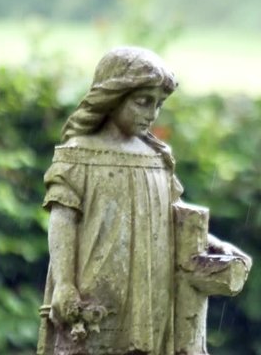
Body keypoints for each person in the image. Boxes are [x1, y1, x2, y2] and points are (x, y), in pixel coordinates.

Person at [37, 47, 183, 355]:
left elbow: (177, 221)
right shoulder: (79, 154)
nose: (152, 113)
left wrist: (206, 246)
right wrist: (64, 283)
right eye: (142, 101)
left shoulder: (158, 158)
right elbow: (63, 219)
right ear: (112, 96)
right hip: (94, 293)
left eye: (158, 104)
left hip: (151, 294)